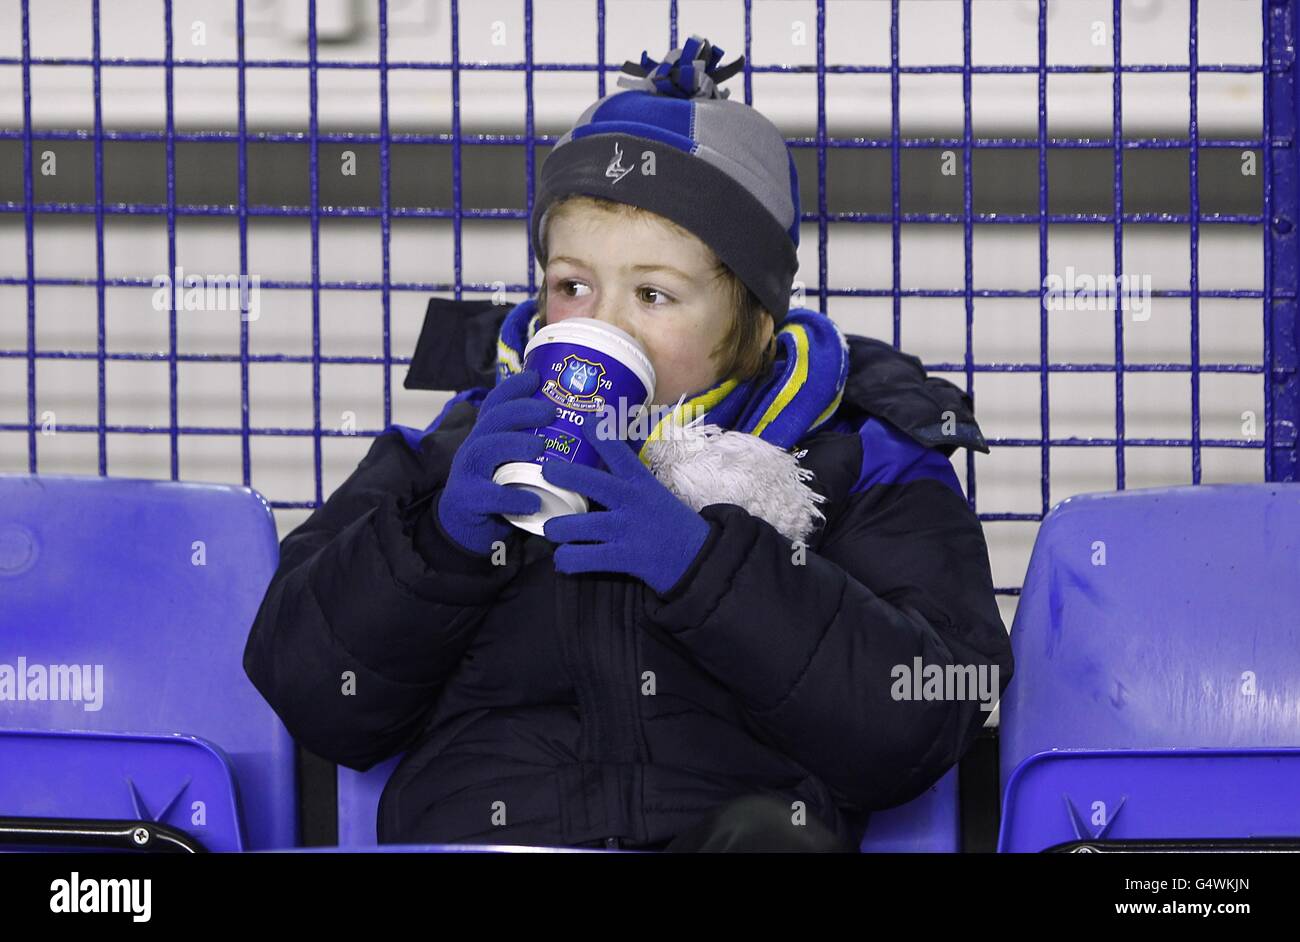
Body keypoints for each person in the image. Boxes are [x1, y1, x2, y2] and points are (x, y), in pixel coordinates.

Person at [243, 35, 1012, 853]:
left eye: (653, 293)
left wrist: (706, 570)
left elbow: (924, 724)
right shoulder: (455, 447)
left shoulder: (856, 456)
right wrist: (439, 542)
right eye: (573, 285)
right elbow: (312, 697)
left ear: (753, 323)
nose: (601, 323)